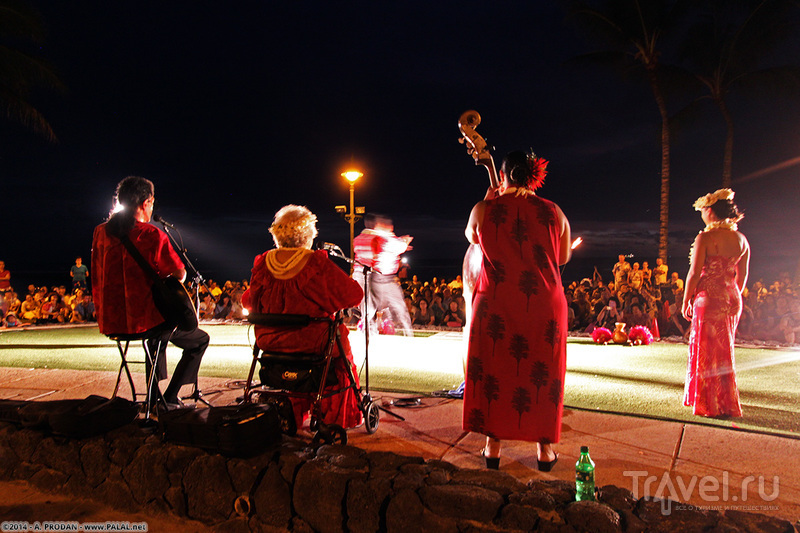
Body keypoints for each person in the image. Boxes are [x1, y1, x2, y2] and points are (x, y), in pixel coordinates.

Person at [463, 150, 571, 471]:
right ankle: (544, 451)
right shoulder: (554, 211)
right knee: (543, 373)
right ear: (533, 176)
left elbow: (472, 238)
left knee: (495, 368)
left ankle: (492, 446)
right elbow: (562, 257)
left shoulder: (484, 209)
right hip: (544, 302)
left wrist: (487, 200)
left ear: (504, 176)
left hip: (496, 300)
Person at [92, 176, 208, 410]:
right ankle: (168, 397)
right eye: (152, 204)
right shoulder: (151, 234)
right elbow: (178, 274)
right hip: (145, 322)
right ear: (147, 202)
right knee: (198, 339)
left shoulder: (100, 232)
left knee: (157, 334)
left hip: (113, 322)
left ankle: (156, 397)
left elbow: (96, 272)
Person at [243, 204, 363, 429]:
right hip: (312, 344)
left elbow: (247, 301)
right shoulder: (315, 264)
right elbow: (353, 294)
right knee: (340, 348)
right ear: (308, 234)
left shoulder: (262, 265)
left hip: (270, 343)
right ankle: (334, 416)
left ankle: (292, 406)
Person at [682, 188, 750, 418]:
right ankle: (726, 401)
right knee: (724, 349)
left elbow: (693, 274)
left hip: (708, 298)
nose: (702, 214)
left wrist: (686, 300)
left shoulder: (706, 238)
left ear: (710, 211)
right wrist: (730, 296)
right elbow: (741, 276)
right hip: (731, 297)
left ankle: (708, 403)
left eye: (703, 210)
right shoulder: (742, 240)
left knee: (707, 351)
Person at [352, 214, 414, 336]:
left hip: (367, 276)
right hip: (375, 277)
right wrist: (404, 242)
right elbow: (394, 245)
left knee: (371, 307)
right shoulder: (380, 238)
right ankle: (404, 331)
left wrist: (401, 243)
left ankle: (370, 329)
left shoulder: (360, 238)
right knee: (388, 306)